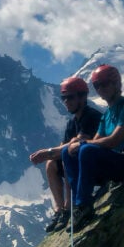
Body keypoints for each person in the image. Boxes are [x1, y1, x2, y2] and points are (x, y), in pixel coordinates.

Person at [61, 64, 124, 230]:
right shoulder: (108, 114)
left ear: (116, 83)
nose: (101, 88)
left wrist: (82, 143)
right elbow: (96, 142)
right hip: (118, 164)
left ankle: (83, 206)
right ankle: (77, 205)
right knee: (69, 151)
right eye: (97, 86)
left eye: (105, 84)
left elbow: (112, 141)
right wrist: (77, 145)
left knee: (85, 149)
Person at [29, 76, 102, 232]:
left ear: (83, 96)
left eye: (70, 97)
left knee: (67, 158)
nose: (66, 102)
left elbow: (79, 143)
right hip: (80, 168)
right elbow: (63, 147)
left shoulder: (92, 117)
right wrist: (48, 155)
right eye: (64, 98)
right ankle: (59, 210)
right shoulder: (72, 123)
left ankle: (69, 208)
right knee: (51, 164)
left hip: (93, 167)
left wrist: (47, 152)